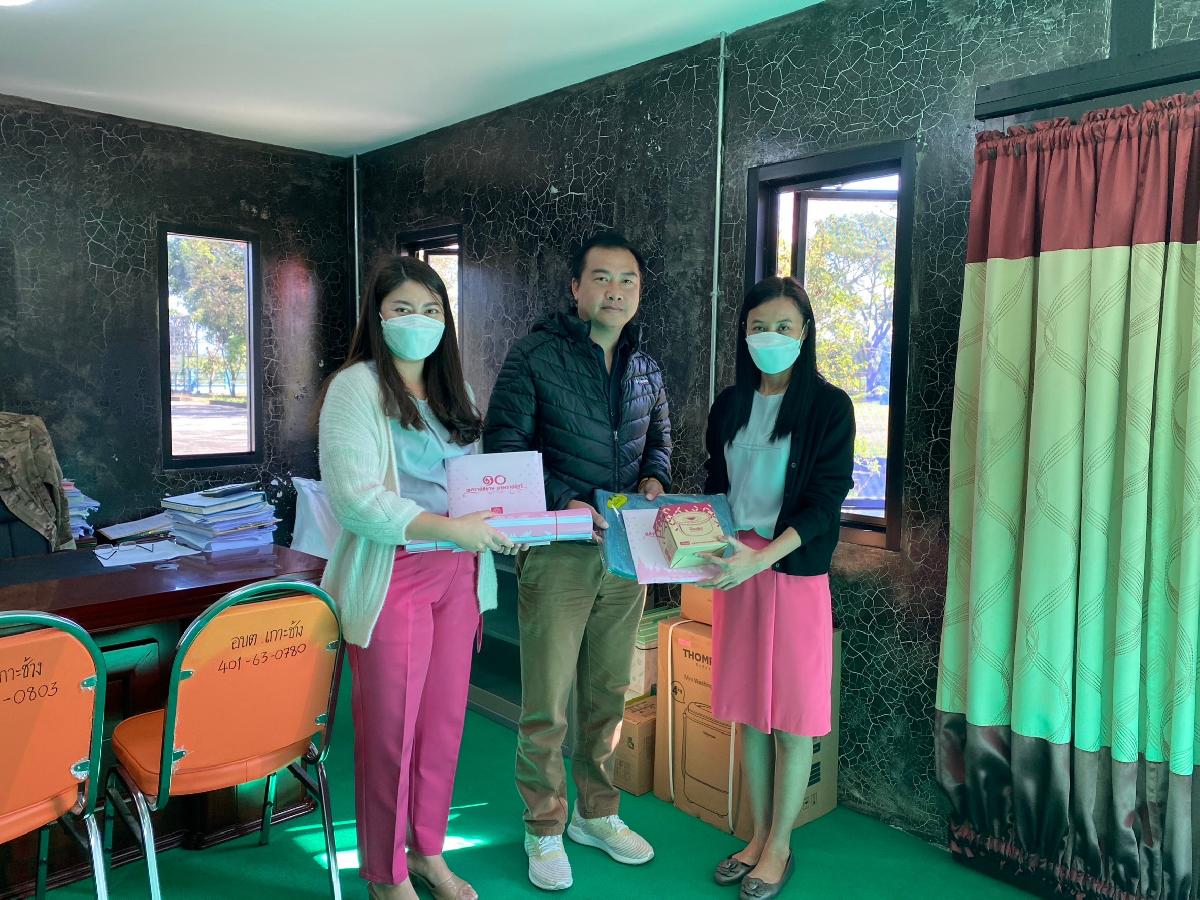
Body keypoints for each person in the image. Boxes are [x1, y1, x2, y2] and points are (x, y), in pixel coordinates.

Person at [318, 255, 520, 900]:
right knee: (390, 733)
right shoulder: (355, 388)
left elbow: (477, 485)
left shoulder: (455, 394)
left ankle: (428, 850)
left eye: (431, 310)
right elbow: (354, 500)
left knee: (442, 726)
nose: (419, 322)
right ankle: (386, 875)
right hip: (394, 574)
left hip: (459, 575)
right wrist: (447, 527)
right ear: (378, 317)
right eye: (403, 309)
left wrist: (512, 518)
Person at [484, 230, 672, 891]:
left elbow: (659, 443)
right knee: (547, 705)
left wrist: (655, 480)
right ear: (575, 287)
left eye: (627, 280)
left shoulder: (647, 367)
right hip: (559, 551)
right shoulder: (535, 355)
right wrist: (565, 499)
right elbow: (503, 447)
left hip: (623, 553)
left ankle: (597, 813)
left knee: (606, 697)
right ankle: (543, 826)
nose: (614, 290)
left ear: (639, 292)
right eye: (601, 277)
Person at [699, 276, 854, 900]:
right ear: (744, 333)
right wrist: (704, 538)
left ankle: (781, 845)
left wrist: (763, 558)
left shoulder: (829, 407)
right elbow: (715, 482)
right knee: (749, 714)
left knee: (791, 718)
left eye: (784, 327)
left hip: (789, 570)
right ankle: (757, 834)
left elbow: (825, 500)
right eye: (759, 326)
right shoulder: (730, 404)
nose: (771, 337)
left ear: (804, 332)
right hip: (733, 566)